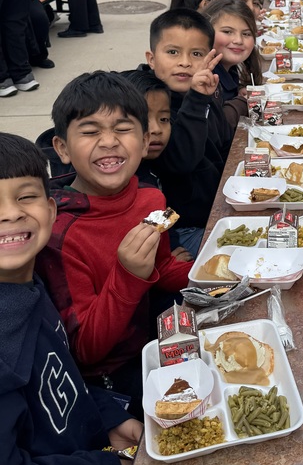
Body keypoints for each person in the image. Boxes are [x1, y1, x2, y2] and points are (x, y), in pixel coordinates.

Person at [0, 133, 186, 465]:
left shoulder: (26, 286)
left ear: (51, 206)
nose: (10, 214)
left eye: (25, 196)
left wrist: (107, 416)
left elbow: (58, 379)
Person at [34, 72, 191, 415]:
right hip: (108, 380)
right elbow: (85, 350)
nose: (108, 141)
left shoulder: (150, 198)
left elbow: (161, 267)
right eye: (90, 131)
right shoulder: (58, 233)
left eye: (122, 128)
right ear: (62, 148)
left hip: (150, 343)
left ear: (144, 140)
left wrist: (214, 271)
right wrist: (128, 274)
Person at [142, 9, 232, 257]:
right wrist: (196, 99)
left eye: (196, 54)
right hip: (181, 228)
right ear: (151, 59)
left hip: (216, 207)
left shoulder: (205, 95)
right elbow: (181, 160)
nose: (185, 62)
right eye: (173, 52)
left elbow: (224, 144)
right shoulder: (148, 106)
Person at [202, 0, 261, 129]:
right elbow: (215, 127)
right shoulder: (206, 76)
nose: (238, 40)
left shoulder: (230, 69)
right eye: (227, 32)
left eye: (246, 34)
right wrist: (241, 103)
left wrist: (238, 91)